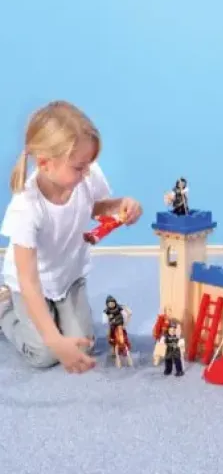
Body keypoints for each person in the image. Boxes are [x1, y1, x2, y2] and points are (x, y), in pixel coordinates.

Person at [0, 100, 143, 374]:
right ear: (45, 164)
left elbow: (95, 207)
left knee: (82, 346)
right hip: (30, 285)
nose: (87, 172)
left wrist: (121, 205)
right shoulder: (26, 208)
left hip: (68, 277)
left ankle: (52, 315)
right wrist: (53, 339)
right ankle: (5, 308)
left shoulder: (85, 175)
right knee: (44, 354)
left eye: (88, 164)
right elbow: (29, 282)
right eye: (79, 167)